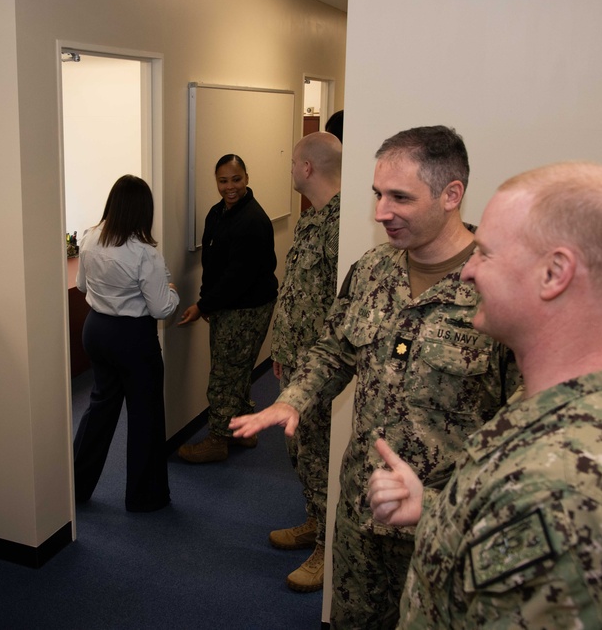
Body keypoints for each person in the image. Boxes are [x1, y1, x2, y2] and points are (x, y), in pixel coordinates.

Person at [230, 126, 520, 628]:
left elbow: (524, 423)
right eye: (377, 194)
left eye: (400, 197)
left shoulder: (499, 286)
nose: (381, 212)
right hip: (362, 510)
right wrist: (295, 397)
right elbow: (336, 348)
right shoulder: (371, 271)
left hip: (442, 523)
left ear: (452, 194)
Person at [368, 162, 602, 628]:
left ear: (554, 273)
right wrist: (438, 511)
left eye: (485, 253)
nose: (467, 273)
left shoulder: (560, 489)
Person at [72, 175, 180, 512]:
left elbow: (81, 287)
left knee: (99, 407)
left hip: (97, 332)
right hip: (133, 339)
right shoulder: (145, 254)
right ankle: (144, 497)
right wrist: (173, 290)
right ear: (143, 211)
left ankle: (75, 486)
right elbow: (162, 308)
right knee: (145, 415)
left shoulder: (89, 238)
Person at [266, 132, 342, 593]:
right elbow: (296, 291)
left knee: (318, 453)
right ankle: (314, 520)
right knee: (300, 452)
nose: (290, 169)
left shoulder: (341, 224)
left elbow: (341, 306)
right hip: (294, 361)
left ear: (308, 168)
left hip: (319, 369)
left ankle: (328, 549)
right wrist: (280, 347)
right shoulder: (310, 221)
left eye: (294, 162)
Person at [177, 154, 278, 464]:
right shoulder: (218, 213)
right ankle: (242, 429)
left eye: (236, 179)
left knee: (224, 375)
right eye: (223, 180)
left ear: (246, 178)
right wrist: (209, 299)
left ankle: (219, 438)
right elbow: (214, 263)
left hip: (246, 308)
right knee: (237, 370)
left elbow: (237, 277)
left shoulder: (252, 220)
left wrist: (202, 305)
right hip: (229, 305)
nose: (230, 187)